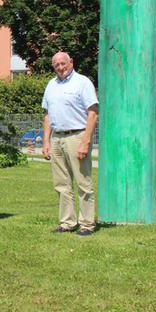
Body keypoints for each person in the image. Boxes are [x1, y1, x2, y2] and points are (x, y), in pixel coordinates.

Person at [42, 52, 99, 236]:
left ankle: (87, 223)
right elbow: (47, 115)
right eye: (56, 64)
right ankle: (67, 222)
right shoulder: (51, 85)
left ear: (71, 62)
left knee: (83, 182)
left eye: (63, 63)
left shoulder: (82, 82)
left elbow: (93, 112)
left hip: (77, 136)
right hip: (56, 138)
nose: (60, 67)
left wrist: (86, 141)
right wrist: (46, 141)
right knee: (61, 184)